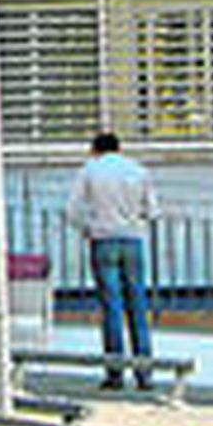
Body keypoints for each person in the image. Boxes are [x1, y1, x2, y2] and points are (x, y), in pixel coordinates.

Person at [67, 130, 160, 390]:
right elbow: (153, 211)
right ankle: (144, 373)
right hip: (133, 240)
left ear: (95, 150)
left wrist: (88, 228)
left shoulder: (89, 171)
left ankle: (115, 373)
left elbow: (72, 211)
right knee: (138, 305)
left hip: (103, 240)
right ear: (119, 148)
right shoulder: (138, 170)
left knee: (111, 307)